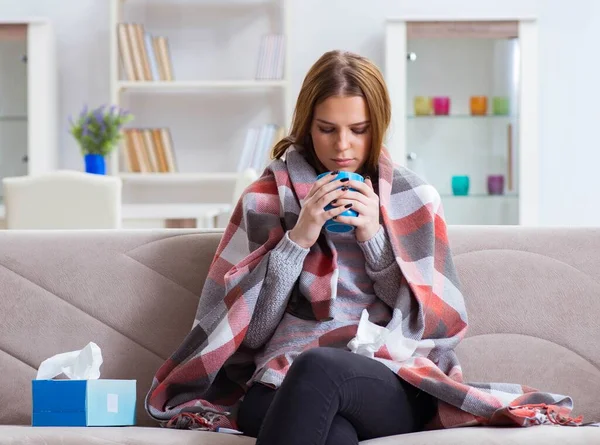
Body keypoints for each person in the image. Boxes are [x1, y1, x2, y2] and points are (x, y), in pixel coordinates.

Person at [145, 50, 580, 444]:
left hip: (390, 376)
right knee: (330, 431)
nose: (342, 146)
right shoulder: (264, 200)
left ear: (379, 126)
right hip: (279, 378)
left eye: (359, 130)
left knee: (318, 369)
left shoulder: (415, 199)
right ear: (306, 125)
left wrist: (373, 238)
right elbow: (248, 334)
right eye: (326, 129)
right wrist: (299, 239)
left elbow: (432, 326)